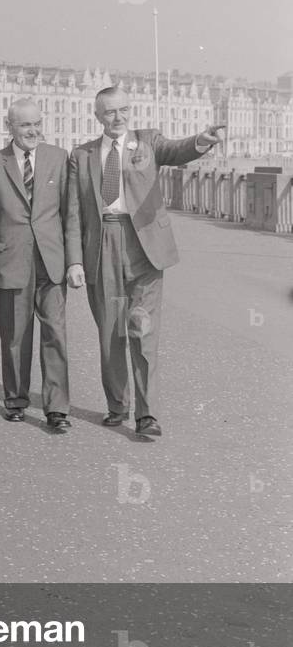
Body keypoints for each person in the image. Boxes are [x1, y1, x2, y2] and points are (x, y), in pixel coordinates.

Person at [66, 86, 224, 437]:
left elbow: (177, 150)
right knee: (111, 332)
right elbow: (73, 212)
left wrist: (202, 140)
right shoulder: (82, 155)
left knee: (143, 330)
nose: (118, 117)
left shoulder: (148, 141)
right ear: (97, 116)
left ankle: (147, 414)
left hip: (145, 246)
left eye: (123, 109)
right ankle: (117, 405)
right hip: (102, 244)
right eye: (110, 112)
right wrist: (74, 261)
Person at [0, 98, 79, 431]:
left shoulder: (58, 158)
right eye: (24, 125)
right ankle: (16, 400)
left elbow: (71, 215)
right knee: (15, 336)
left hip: (52, 261)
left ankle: (57, 408)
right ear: (9, 126)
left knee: (55, 334)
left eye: (36, 124)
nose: (33, 131)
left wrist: (74, 261)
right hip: (10, 260)